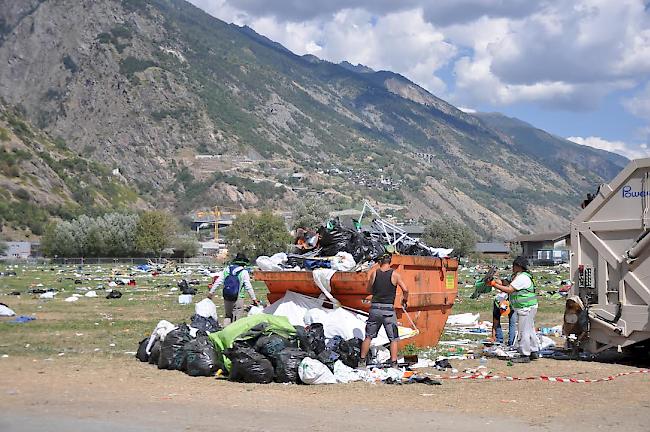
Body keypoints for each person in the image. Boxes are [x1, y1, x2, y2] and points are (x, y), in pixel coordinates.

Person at [359, 254, 409, 368]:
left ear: (380, 262)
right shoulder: (395, 275)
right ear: (390, 262)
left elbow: (368, 289)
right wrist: (404, 300)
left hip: (375, 309)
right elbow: (406, 289)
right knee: (393, 338)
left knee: (368, 337)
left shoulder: (374, 273)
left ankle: (361, 362)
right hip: (388, 310)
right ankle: (394, 364)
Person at [491, 256, 540, 362]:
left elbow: (509, 289)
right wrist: (494, 280)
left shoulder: (522, 278)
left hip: (526, 307)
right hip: (527, 307)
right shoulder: (517, 276)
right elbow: (505, 282)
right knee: (530, 330)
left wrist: (494, 285)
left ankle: (525, 354)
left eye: (514, 266)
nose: (512, 268)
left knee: (523, 332)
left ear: (519, 266)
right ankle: (533, 351)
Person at [207, 253, 259, 324]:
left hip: (227, 297)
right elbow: (248, 286)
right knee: (237, 319)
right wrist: (254, 299)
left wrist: (211, 293)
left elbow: (218, 282)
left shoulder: (226, 270)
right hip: (238, 297)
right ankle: (235, 333)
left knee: (228, 316)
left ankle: (225, 332)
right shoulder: (244, 272)